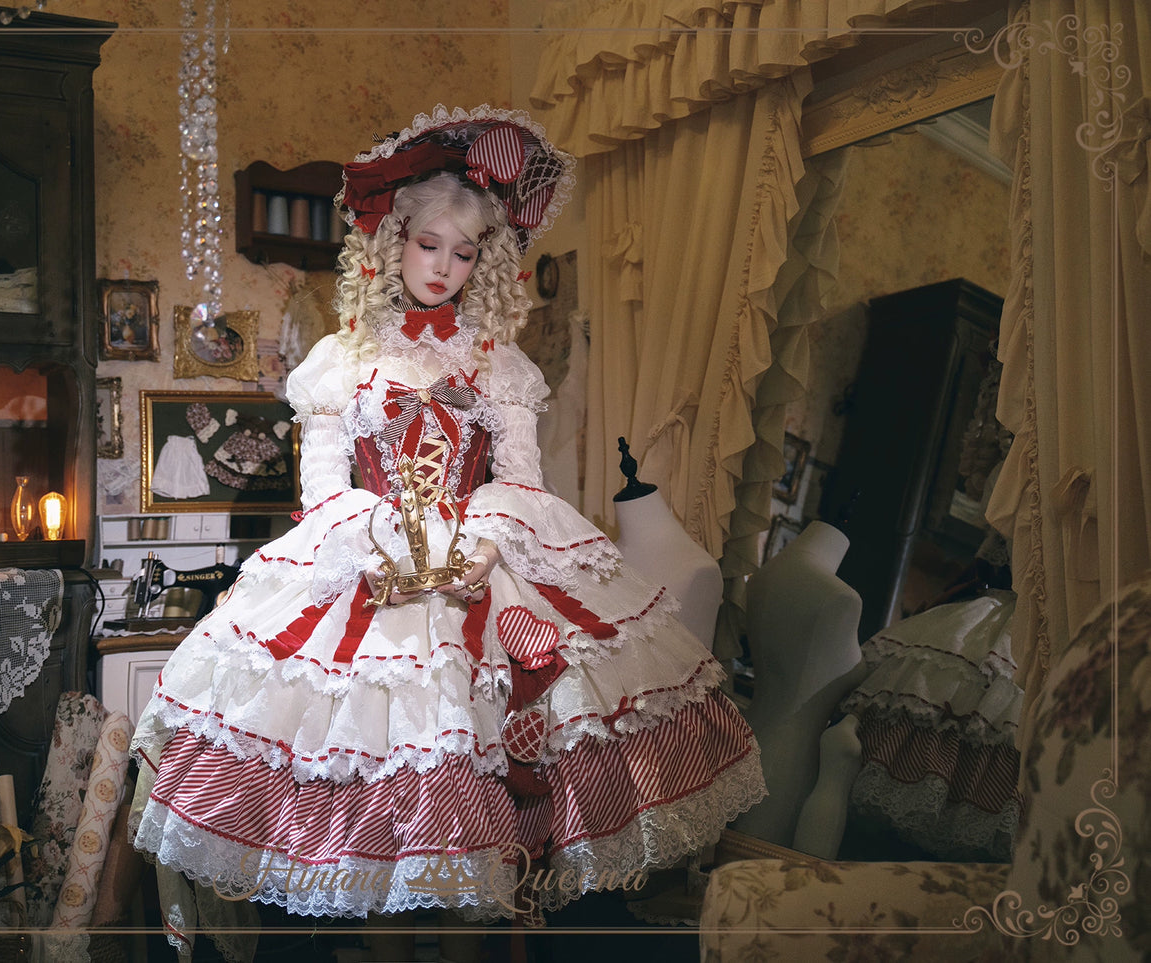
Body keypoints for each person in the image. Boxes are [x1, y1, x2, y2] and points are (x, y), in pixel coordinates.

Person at [131, 105, 765, 928]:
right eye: (429, 244)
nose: (443, 266)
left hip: (480, 575)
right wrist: (374, 549)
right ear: (393, 242)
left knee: (480, 780)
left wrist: (488, 546)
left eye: (463, 252)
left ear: (484, 261)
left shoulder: (498, 363)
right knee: (375, 769)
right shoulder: (342, 360)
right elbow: (323, 491)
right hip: (374, 572)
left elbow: (523, 483)